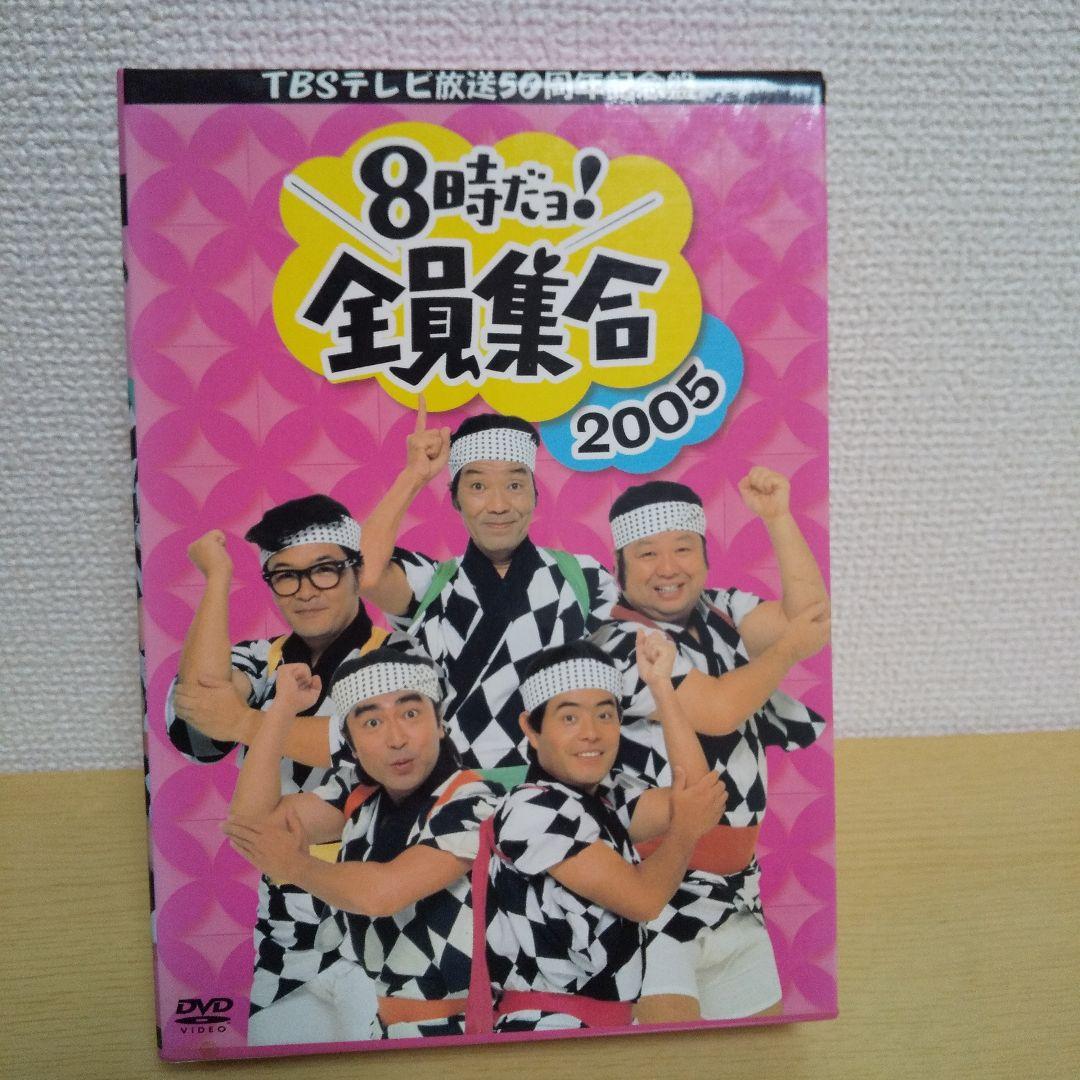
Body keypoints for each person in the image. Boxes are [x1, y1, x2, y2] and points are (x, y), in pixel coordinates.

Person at [590, 473, 831, 1023]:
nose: (667, 567)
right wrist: (786, 651)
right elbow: (720, 711)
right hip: (653, 888)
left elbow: (808, 617)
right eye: (647, 553)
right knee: (670, 1055)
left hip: (737, 891)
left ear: (704, 554)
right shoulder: (619, 640)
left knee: (758, 1052)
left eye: (683, 548)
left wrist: (778, 518)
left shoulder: (720, 610)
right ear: (619, 566)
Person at [166, 494, 383, 1045]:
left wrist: (246, 723)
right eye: (286, 576)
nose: (306, 590)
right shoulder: (263, 659)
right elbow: (200, 708)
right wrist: (217, 579)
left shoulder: (403, 656)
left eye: (325, 570)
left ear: (358, 571)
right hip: (288, 937)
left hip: (387, 929)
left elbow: (369, 748)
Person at [224, 649, 499, 1040]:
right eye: (372, 722)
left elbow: (382, 894)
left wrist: (297, 866)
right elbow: (253, 825)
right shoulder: (360, 791)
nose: (396, 738)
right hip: (383, 1025)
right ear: (351, 746)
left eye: (410, 714)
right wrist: (282, 710)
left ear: (440, 723)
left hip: (461, 1031)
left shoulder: (474, 800)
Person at [478, 637, 728, 1033]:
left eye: (605, 714)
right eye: (569, 718)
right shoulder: (531, 810)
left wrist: (662, 686)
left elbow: (698, 795)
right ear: (532, 728)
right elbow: (644, 900)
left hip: (603, 1028)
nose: (591, 733)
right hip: (545, 1028)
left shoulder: (603, 800)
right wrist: (684, 832)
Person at [357, 405, 618, 777]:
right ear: (455, 498)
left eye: (515, 485)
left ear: (535, 495)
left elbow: (619, 685)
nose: (498, 506)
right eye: (478, 486)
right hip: (450, 790)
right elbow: (364, 574)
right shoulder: (429, 582)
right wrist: (413, 476)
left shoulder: (584, 578)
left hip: (559, 787)